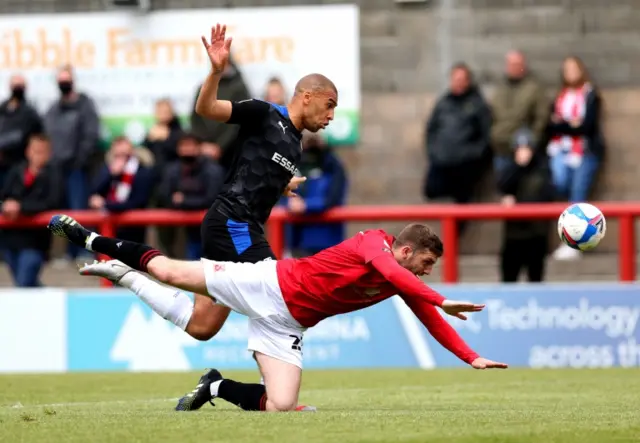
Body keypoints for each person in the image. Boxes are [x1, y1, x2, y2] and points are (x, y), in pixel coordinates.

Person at [48, 214, 508, 413]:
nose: (428, 274)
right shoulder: (376, 245)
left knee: (282, 406)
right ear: (407, 250)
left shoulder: (399, 278)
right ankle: (96, 244)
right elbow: (402, 279)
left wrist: (470, 357)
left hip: (287, 322)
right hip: (267, 285)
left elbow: (427, 316)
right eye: (427, 264)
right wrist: (440, 298)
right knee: (169, 271)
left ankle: (216, 385)